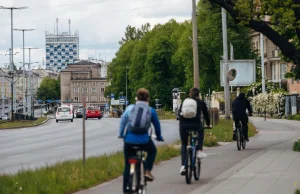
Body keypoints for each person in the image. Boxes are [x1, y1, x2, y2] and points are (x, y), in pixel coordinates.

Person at [119, 88, 164, 194]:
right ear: (148, 99)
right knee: (152, 151)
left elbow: (123, 122)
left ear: (137, 98)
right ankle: (147, 171)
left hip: (129, 141)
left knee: (127, 166)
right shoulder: (150, 110)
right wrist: (159, 137)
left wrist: (121, 134)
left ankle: (126, 190)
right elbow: (157, 126)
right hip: (144, 141)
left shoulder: (130, 108)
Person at [178, 87, 211, 175]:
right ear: (198, 95)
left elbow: (179, 114)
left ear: (190, 94)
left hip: (183, 125)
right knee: (200, 130)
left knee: (184, 144)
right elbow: (206, 115)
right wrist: (208, 124)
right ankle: (199, 150)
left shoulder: (185, 102)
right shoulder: (201, 102)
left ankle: (183, 167)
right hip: (196, 125)